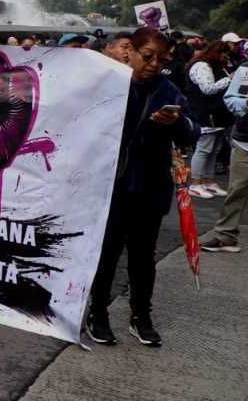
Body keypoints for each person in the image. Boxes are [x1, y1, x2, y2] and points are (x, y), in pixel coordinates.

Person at [86, 27, 200, 347]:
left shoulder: (168, 90)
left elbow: (193, 132)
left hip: (151, 189)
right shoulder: (109, 85)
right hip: (111, 186)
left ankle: (141, 316)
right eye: (147, 57)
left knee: (143, 256)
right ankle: (98, 314)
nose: (153, 65)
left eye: (161, 60)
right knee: (106, 254)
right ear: (130, 52)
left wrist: (177, 123)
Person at [200, 54, 248, 252]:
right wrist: (245, 104)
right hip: (245, 143)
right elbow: (230, 100)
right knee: (237, 190)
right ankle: (225, 235)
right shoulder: (245, 70)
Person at [184, 40, 234, 199]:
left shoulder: (215, 67)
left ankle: (209, 181)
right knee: (204, 149)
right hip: (206, 114)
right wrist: (229, 79)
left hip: (217, 115)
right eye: (224, 56)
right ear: (216, 53)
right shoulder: (202, 66)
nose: (226, 59)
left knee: (214, 150)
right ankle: (196, 183)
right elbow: (207, 89)